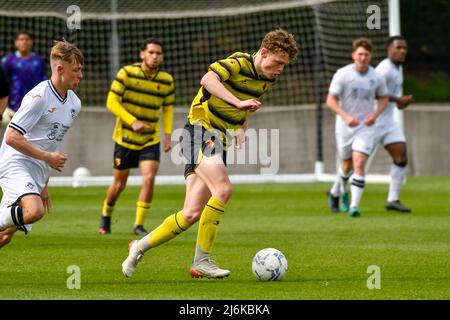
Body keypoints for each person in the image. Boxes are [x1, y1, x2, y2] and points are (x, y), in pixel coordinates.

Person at [121, 28, 299, 279]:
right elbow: (208, 80)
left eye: (285, 65)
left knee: (191, 214)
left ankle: (138, 247)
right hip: (199, 133)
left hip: (220, 140)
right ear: (264, 52)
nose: (280, 69)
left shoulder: (267, 78)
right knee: (224, 189)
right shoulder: (238, 62)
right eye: (278, 62)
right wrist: (238, 104)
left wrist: (241, 127)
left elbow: (246, 104)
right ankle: (203, 260)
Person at [0, 40, 83, 249]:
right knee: (34, 211)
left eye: (81, 70)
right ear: (60, 69)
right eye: (76, 70)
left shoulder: (74, 103)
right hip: (15, 163)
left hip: (36, 171)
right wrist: (48, 159)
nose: (80, 75)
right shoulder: (39, 97)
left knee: (5, 237)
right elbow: (11, 137)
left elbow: (51, 142)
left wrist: (43, 183)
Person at [98, 38, 174, 236]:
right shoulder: (127, 73)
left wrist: (167, 135)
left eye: (158, 53)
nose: (154, 56)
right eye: (151, 52)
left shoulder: (166, 80)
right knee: (119, 185)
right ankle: (106, 213)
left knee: (149, 178)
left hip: (151, 139)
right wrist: (132, 122)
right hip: (125, 138)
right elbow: (111, 101)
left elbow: (167, 109)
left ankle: (138, 225)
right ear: (142, 54)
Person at [326, 37, 389, 218]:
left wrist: (374, 115)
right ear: (354, 55)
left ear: (370, 56)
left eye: (366, 55)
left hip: (366, 127)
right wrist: (346, 116)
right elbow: (330, 100)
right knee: (346, 164)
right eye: (360, 54)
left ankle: (354, 206)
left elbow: (384, 97)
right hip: (345, 127)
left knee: (359, 163)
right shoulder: (343, 74)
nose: (363, 58)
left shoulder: (376, 77)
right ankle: (340, 191)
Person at [372, 36, 413, 212]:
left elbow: (389, 95)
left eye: (404, 48)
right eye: (398, 48)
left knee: (401, 158)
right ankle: (335, 191)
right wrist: (399, 99)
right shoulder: (384, 69)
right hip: (372, 120)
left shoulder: (398, 68)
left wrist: (399, 102)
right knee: (353, 163)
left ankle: (393, 199)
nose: (402, 51)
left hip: (388, 122)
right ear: (389, 49)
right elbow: (374, 93)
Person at [1, 31, 47, 125]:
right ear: (16, 43)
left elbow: (43, 82)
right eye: (21, 39)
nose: (24, 42)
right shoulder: (8, 60)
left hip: (34, 104)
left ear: (31, 42)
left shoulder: (39, 60)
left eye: (27, 39)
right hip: (12, 107)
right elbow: (2, 84)